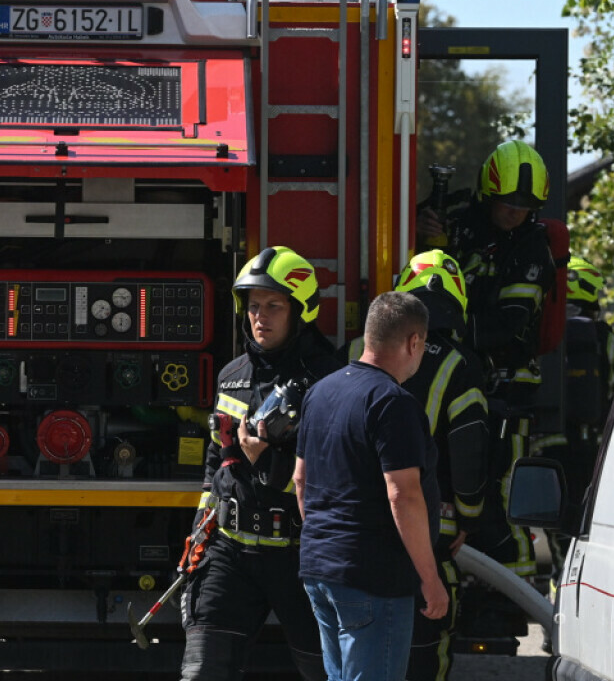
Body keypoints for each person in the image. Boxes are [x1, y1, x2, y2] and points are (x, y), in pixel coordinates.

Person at [181, 246, 344, 680]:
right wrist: (199, 531)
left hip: (303, 559)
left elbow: (336, 482)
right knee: (200, 674)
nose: (260, 317)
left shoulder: (331, 383)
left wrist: (268, 463)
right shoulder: (232, 374)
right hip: (231, 553)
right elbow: (216, 462)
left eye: (274, 306)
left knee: (327, 674)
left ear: (301, 310)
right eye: (253, 306)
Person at [416, 139, 556, 581]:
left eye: (525, 205)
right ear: (488, 194)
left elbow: (506, 325)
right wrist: (425, 233)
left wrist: (445, 323)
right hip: (449, 375)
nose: (516, 212)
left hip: (505, 387)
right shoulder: (457, 221)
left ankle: (509, 589)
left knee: (501, 487)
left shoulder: (533, 248)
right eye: (507, 202)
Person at [293, 292, 447, 681]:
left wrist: (326, 541)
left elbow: (300, 480)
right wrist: (430, 580)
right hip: (375, 579)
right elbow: (403, 495)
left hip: (321, 570)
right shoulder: (392, 402)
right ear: (414, 342)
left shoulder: (320, 392)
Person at [385, 252, 490, 681]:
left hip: (351, 535)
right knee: (423, 652)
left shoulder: (353, 350)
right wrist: (469, 516)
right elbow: (469, 451)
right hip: (427, 530)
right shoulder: (460, 365)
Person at [555, 256, 614, 510]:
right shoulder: (613, 344)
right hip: (598, 451)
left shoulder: (543, 337)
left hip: (549, 447)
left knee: (556, 520)